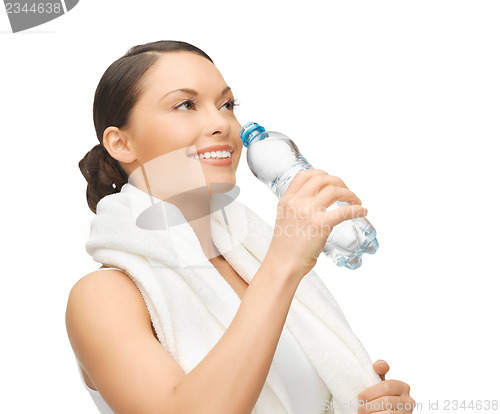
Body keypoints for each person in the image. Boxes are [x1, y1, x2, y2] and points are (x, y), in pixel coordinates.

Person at [66, 40, 415, 414]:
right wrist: (283, 263)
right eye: (185, 104)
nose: (221, 123)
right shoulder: (103, 297)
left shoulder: (252, 265)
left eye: (227, 105)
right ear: (121, 143)